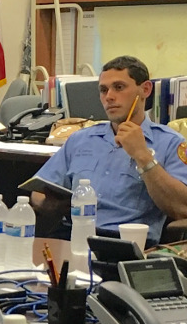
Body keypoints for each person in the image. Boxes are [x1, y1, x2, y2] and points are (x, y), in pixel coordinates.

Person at [29, 55, 187, 246]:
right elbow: (37, 193)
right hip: (74, 234)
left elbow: (182, 209)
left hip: (126, 242)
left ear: (145, 90)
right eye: (103, 90)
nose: (109, 97)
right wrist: (55, 204)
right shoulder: (81, 139)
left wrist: (142, 156)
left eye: (119, 87)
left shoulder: (170, 143)